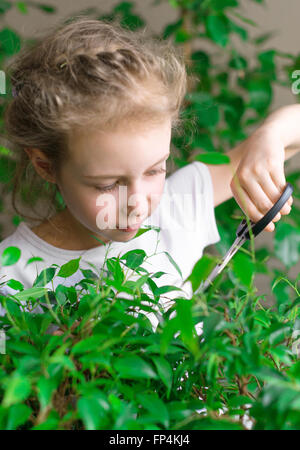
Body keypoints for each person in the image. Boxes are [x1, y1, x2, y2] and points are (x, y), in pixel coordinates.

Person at [0, 16, 298, 330]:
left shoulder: (174, 209)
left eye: (155, 169)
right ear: (46, 166)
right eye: (108, 184)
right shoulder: (12, 277)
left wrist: (271, 138)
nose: (138, 204)